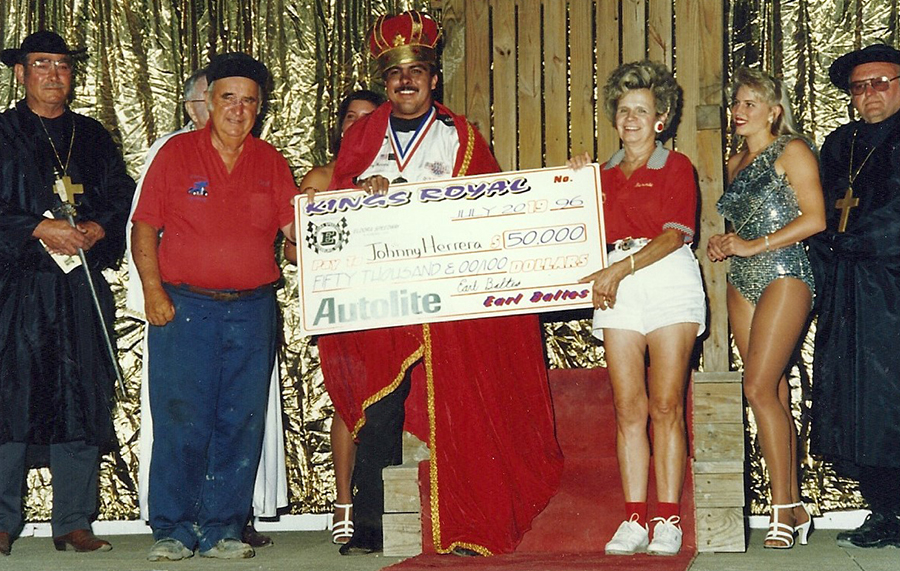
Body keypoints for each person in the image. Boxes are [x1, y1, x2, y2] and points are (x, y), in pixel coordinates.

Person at [317, 10, 563, 557]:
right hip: (380, 297)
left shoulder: (461, 138)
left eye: (416, 71)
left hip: (445, 302)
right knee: (380, 410)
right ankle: (372, 528)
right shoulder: (363, 137)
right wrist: (360, 187)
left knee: (461, 404)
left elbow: (492, 210)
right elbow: (333, 200)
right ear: (386, 84)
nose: (406, 81)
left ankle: (469, 519)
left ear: (433, 79)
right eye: (395, 74)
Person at [131, 52, 297, 561]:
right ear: (209, 101)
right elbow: (144, 229)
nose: (238, 109)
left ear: (260, 108)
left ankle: (224, 527)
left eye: (249, 101)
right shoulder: (177, 155)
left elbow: (296, 236)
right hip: (184, 307)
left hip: (252, 310)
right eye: (229, 98)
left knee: (240, 419)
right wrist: (153, 291)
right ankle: (173, 529)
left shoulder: (271, 162)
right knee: (182, 418)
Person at [0, 31, 135, 555]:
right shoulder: (4, 132)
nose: (53, 74)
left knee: (81, 397)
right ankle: (4, 521)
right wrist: (38, 228)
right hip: (17, 288)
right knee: (10, 400)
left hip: (78, 284)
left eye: (61, 64)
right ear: (20, 73)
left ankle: (74, 521)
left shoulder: (91, 135)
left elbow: (122, 194)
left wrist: (100, 225)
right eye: (41, 64)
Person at [569, 60, 706, 556]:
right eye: (623, 110)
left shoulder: (677, 166)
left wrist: (617, 270)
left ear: (660, 120)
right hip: (615, 285)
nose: (630, 120)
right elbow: (574, 231)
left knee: (666, 404)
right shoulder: (597, 175)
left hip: (667, 280)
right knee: (629, 408)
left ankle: (667, 520)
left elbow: (675, 235)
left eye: (641, 111)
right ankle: (634, 519)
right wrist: (569, 187)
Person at [707, 68, 824, 548]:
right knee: (769, 389)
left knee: (755, 387)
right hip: (742, 279)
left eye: (751, 102)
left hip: (786, 272)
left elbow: (815, 219)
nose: (739, 110)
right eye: (737, 102)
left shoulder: (792, 151)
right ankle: (793, 506)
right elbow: (740, 224)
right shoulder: (735, 164)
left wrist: (756, 246)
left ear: (775, 111)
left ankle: (781, 508)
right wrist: (725, 243)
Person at [809, 43, 900, 549]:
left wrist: (852, 242)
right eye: (860, 86)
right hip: (848, 290)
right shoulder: (840, 144)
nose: (870, 94)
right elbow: (819, 205)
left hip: (892, 285)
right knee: (857, 403)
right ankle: (884, 511)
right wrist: (828, 250)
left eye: (881, 82)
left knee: (892, 399)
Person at [292, 89, 384, 545]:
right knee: (349, 404)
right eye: (352, 118)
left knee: (385, 404)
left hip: (390, 306)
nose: (359, 126)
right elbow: (291, 248)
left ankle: (382, 505)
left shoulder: (392, 175)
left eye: (371, 118)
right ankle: (344, 500)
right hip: (342, 308)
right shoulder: (322, 177)